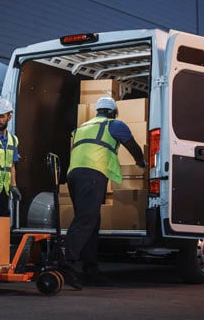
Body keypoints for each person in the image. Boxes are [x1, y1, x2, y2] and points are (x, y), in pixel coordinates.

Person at [62, 96, 146, 290]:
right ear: (113, 112)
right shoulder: (115, 125)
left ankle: (91, 270)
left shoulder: (82, 127)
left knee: (92, 222)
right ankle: (67, 264)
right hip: (92, 174)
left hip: (74, 174)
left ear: (97, 111)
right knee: (86, 220)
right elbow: (132, 146)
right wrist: (141, 162)